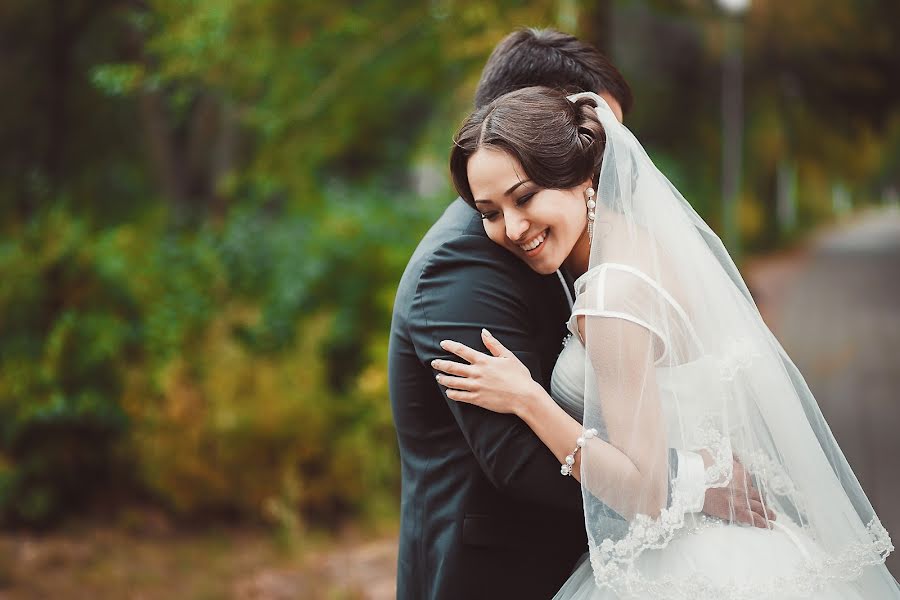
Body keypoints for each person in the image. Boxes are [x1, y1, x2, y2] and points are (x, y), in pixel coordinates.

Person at [435, 85, 898, 598]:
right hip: (736, 548)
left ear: (581, 175)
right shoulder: (636, 243)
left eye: (524, 197)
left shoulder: (609, 295)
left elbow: (646, 490)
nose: (514, 227)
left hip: (688, 566)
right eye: (491, 212)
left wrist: (528, 399)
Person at [388, 29, 770, 600]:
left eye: (605, 139)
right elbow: (516, 460)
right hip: (494, 575)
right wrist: (695, 482)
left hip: (642, 555)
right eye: (590, 134)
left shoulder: (606, 259)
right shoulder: (460, 270)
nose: (602, 156)